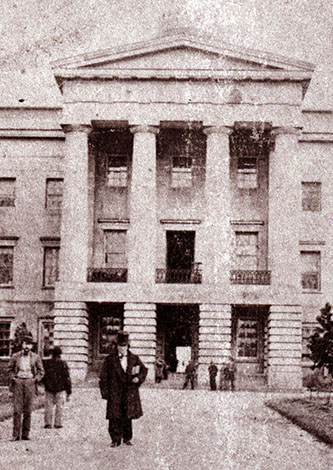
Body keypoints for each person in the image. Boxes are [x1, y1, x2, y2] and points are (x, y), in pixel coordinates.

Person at [99, 330, 148, 447]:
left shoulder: (134, 358)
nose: (122, 348)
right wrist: (105, 393)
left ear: (128, 346)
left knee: (127, 415)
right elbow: (103, 377)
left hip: (129, 391)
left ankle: (127, 438)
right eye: (120, 346)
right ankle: (115, 439)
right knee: (114, 416)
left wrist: (138, 379)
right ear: (116, 346)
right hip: (115, 392)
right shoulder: (110, 359)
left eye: (124, 346)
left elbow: (144, 370)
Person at [8, 334, 44, 441]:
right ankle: (15, 434)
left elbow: (41, 371)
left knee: (28, 409)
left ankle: (25, 434)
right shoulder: (15, 356)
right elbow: (9, 369)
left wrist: (35, 379)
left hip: (30, 382)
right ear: (22, 345)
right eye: (25, 344)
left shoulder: (36, 357)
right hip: (18, 382)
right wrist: (14, 378)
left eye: (29, 344)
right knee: (17, 409)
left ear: (32, 346)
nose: (26, 347)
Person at [42, 346, 72, 429]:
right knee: (59, 407)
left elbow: (44, 376)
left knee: (48, 406)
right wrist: (68, 391)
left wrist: (45, 384)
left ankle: (48, 423)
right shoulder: (63, 364)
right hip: (60, 388)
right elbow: (67, 378)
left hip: (49, 388)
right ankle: (58, 423)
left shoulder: (47, 363)